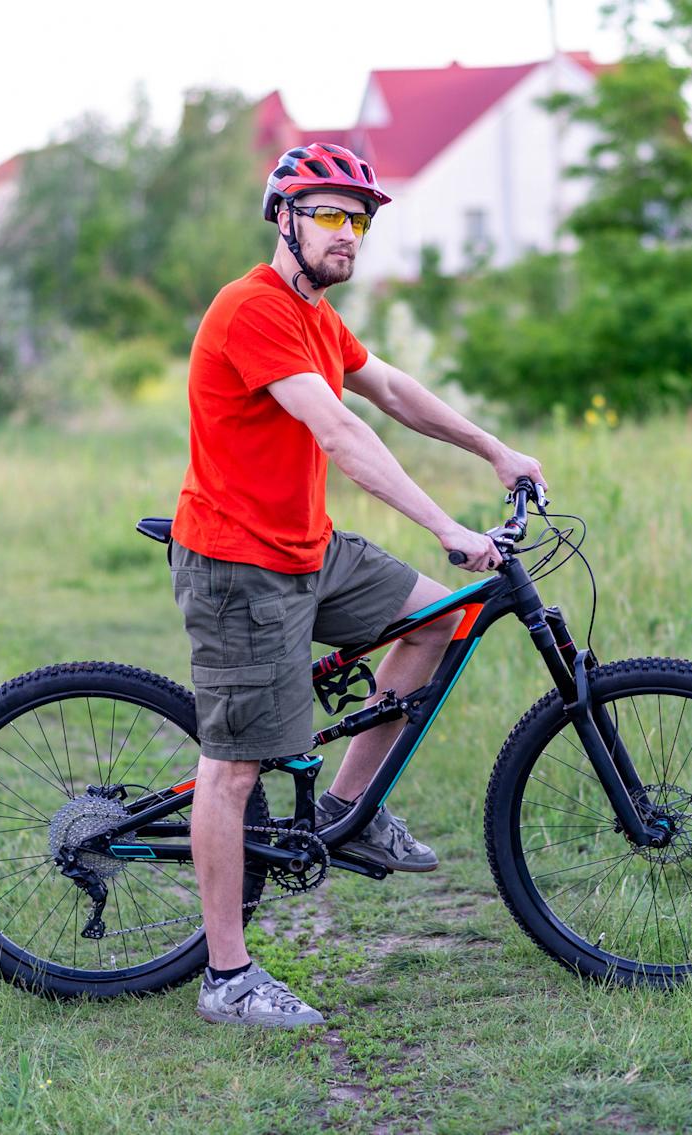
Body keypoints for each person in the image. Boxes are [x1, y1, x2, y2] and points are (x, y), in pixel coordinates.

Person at [175, 142, 545, 1029]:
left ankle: (347, 809)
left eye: (361, 218)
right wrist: (447, 527)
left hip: (309, 548)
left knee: (435, 618)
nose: (350, 234)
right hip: (239, 565)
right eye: (332, 215)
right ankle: (226, 975)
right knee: (233, 768)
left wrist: (494, 448)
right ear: (286, 219)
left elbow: (390, 390)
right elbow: (340, 430)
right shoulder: (252, 309)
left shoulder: (315, 317)